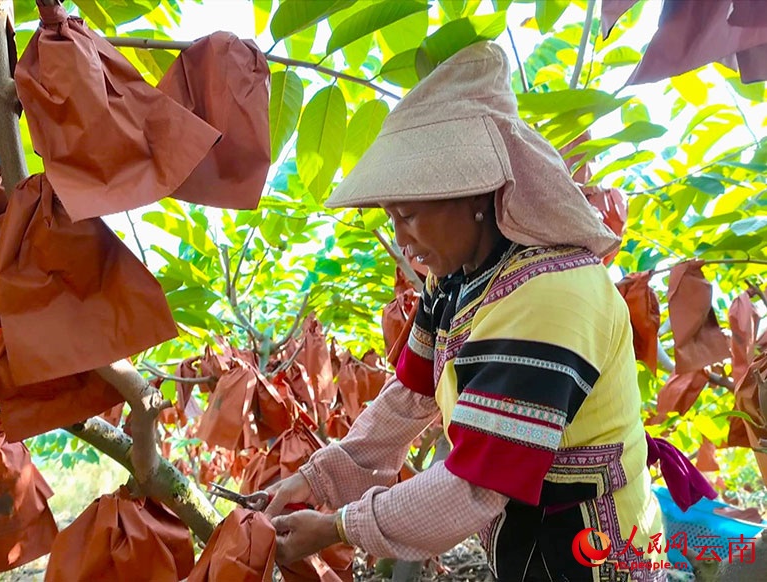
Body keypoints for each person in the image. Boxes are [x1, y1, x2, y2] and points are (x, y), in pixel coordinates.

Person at [265, 41, 668, 582]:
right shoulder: (454, 281)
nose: (400, 238)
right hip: (525, 544)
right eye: (391, 218)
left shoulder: (553, 295)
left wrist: (339, 525)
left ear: (475, 194)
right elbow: (409, 398)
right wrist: (317, 479)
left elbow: (475, 485)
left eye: (408, 215)